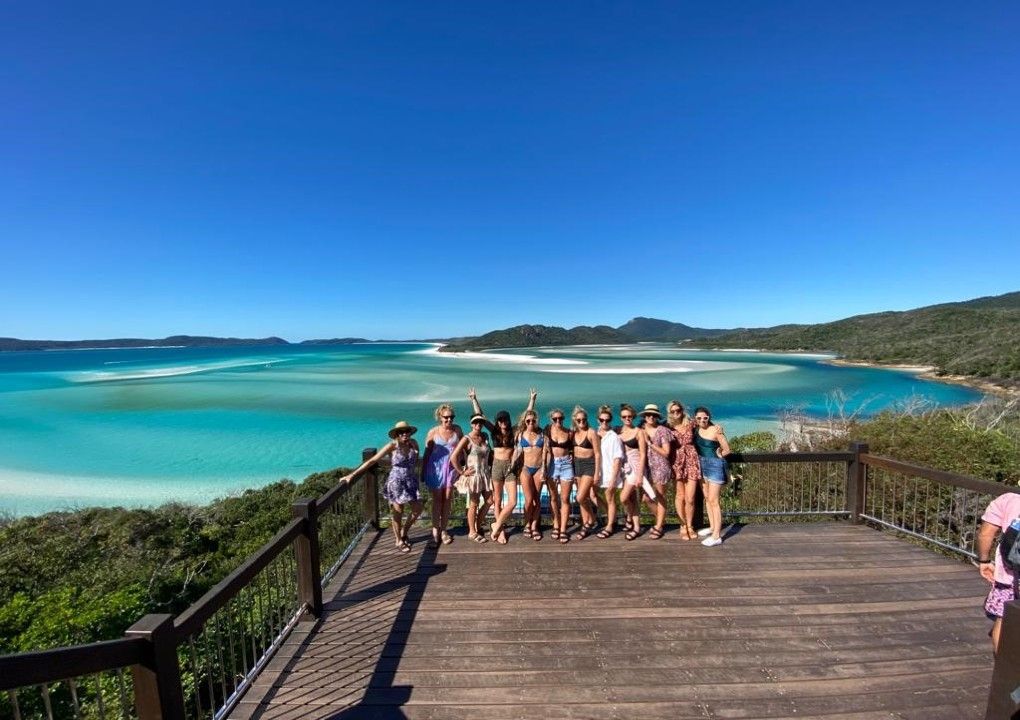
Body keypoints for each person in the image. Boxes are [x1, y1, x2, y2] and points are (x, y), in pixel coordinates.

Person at [468, 388, 537, 544]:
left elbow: (526, 416)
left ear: (508, 420)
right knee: (497, 501)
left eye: (505, 420)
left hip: (510, 467)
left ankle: (497, 524)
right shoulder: (493, 431)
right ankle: (500, 532)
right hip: (497, 467)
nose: (502, 423)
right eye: (500, 420)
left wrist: (532, 399)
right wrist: (474, 399)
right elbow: (482, 416)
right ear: (497, 421)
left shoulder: (514, 431)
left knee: (512, 501)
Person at [341, 420, 422, 553]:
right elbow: (373, 460)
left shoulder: (413, 443)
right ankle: (398, 540)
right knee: (398, 511)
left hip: (411, 480)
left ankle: (404, 532)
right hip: (396, 481)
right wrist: (353, 474)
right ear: (397, 434)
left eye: (407, 431)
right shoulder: (392, 446)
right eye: (401, 432)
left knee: (417, 508)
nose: (405, 434)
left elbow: (416, 459)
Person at [975, 491, 1020, 653]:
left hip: (1008, 575)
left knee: (1004, 617)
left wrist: (984, 561)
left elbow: (985, 533)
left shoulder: (1008, 499)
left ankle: (1004, 667)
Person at [421, 403, 463, 547]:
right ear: (440, 417)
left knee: (447, 499)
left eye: (451, 417)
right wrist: (422, 471)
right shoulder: (433, 432)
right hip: (435, 469)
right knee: (437, 500)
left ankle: (444, 530)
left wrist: (465, 465)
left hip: (451, 469)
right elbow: (426, 454)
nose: (449, 420)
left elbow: (464, 447)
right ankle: (435, 530)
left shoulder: (457, 430)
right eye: (446, 417)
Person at [451, 414, 493, 543]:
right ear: (471, 424)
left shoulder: (484, 436)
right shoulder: (466, 438)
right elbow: (453, 457)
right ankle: (472, 532)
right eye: (476, 422)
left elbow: (489, 454)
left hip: (485, 474)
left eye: (480, 422)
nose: (478, 425)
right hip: (474, 476)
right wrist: (462, 472)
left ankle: (477, 525)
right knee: (474, 504)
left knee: (490, 501)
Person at [693, 406, 731, 547]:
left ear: (709, 417)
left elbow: (727, 449)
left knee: (714, 501)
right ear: (695, 419)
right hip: (702, 465)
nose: (702, 420)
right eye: (699, 418)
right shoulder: (696, 429)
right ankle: (712, 527)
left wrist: (720, 454)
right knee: (708, 499)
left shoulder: (716, 430)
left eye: (705, 417)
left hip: (715, 466)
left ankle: (716, 536)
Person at [667, 400, 702, 540]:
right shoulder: (667, 426)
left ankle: (690, 525)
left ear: (682, 410)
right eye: (673, 411)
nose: (676, 413)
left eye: (678, 410)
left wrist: (717, 429)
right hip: (676, 462)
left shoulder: (691, 423)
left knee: (690, 497)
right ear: (670, 413)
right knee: (680, 496)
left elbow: (705, 422)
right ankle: (682, 525)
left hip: (692, 460)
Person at [569, 406, 602, 541]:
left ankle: (592, 518)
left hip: (589, 466)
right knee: (584, 498)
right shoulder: (574, 433)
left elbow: (598, 453)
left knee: (580, 497)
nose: (581, 422)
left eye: (583, 419)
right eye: (579, 420)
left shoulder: (591, 432)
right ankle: (586, 523)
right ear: (575, 421)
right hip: (577, 465)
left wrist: (597, 473)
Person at [617, 403, 649, 541]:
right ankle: (636, 526)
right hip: (624, 468)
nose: (627, 418)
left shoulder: (638, 432)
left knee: (623, 498)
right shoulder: (619, 432)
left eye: (629, 416)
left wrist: (640, 475)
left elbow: (643, 454)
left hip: (635, 467)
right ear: (621, 417)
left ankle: (631, 518)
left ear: (633, 417)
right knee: (631, 499)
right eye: (624, 416)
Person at [640, 404, 671, 539]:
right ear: (645, 417)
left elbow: (666, 452)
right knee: (646, 498)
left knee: (660, 496)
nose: (650, 417)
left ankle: (659, 525)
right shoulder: (641, 429)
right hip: (646, 468)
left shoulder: (662, 430)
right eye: (648, 415)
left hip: (660, 466)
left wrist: (650, 443)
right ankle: (661, 519)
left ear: (657, 417)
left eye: (653, 415)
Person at [517, 408, 547, 540]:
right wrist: (511, 467)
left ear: (536, 421)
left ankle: (534, 526)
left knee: (537, 499)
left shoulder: (542, 434)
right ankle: (527, 523)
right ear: (524, 421)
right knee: (528, 500)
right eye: (528, 420)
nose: (530, 423)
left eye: (533, 421)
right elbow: (517, 452)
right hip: (525, 469)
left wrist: (545, 469)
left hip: (539, 468)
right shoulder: (520, 435)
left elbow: (546, 453)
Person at [544, 408, 573, 543]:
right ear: (551, 419)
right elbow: (544, 449)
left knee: (565, 498)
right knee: (554, 497)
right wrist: (543, 468)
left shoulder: (569, 432)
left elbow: (574, 447)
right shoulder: (547, 430)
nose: (558, 421)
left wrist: (572, 456)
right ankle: (556, 522)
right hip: (552, 465)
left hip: (566, 464)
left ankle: (563, 529)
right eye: (555, 419)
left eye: (560, 418)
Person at [596, 405, 625, 538]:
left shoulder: (613, 437)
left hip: (609, 473)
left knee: (610, 498)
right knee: (591, 494)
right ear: (598, 420)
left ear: (610, 421)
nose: (604, 423)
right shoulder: (596, 434)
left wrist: (614, 477)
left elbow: (617, 458)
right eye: (602, 420)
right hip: (598, 472)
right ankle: (611, 516)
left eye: (607, 420)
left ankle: (609, 526)